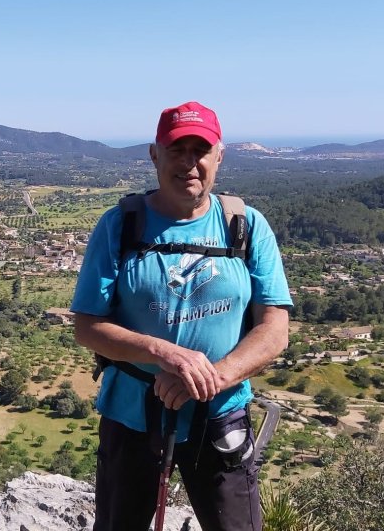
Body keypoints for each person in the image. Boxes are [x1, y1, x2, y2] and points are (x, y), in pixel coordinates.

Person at [71, 101, 292, 531]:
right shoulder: (120, 226)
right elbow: (87, 326)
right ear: (155, 155)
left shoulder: (245, 226)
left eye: (200, 150)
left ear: (219, 156)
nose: (189, 162)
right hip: (133, 413)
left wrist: (209, 377)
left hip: (221, 411)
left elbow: (274, 330)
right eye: (177, 150)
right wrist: (164, 354)